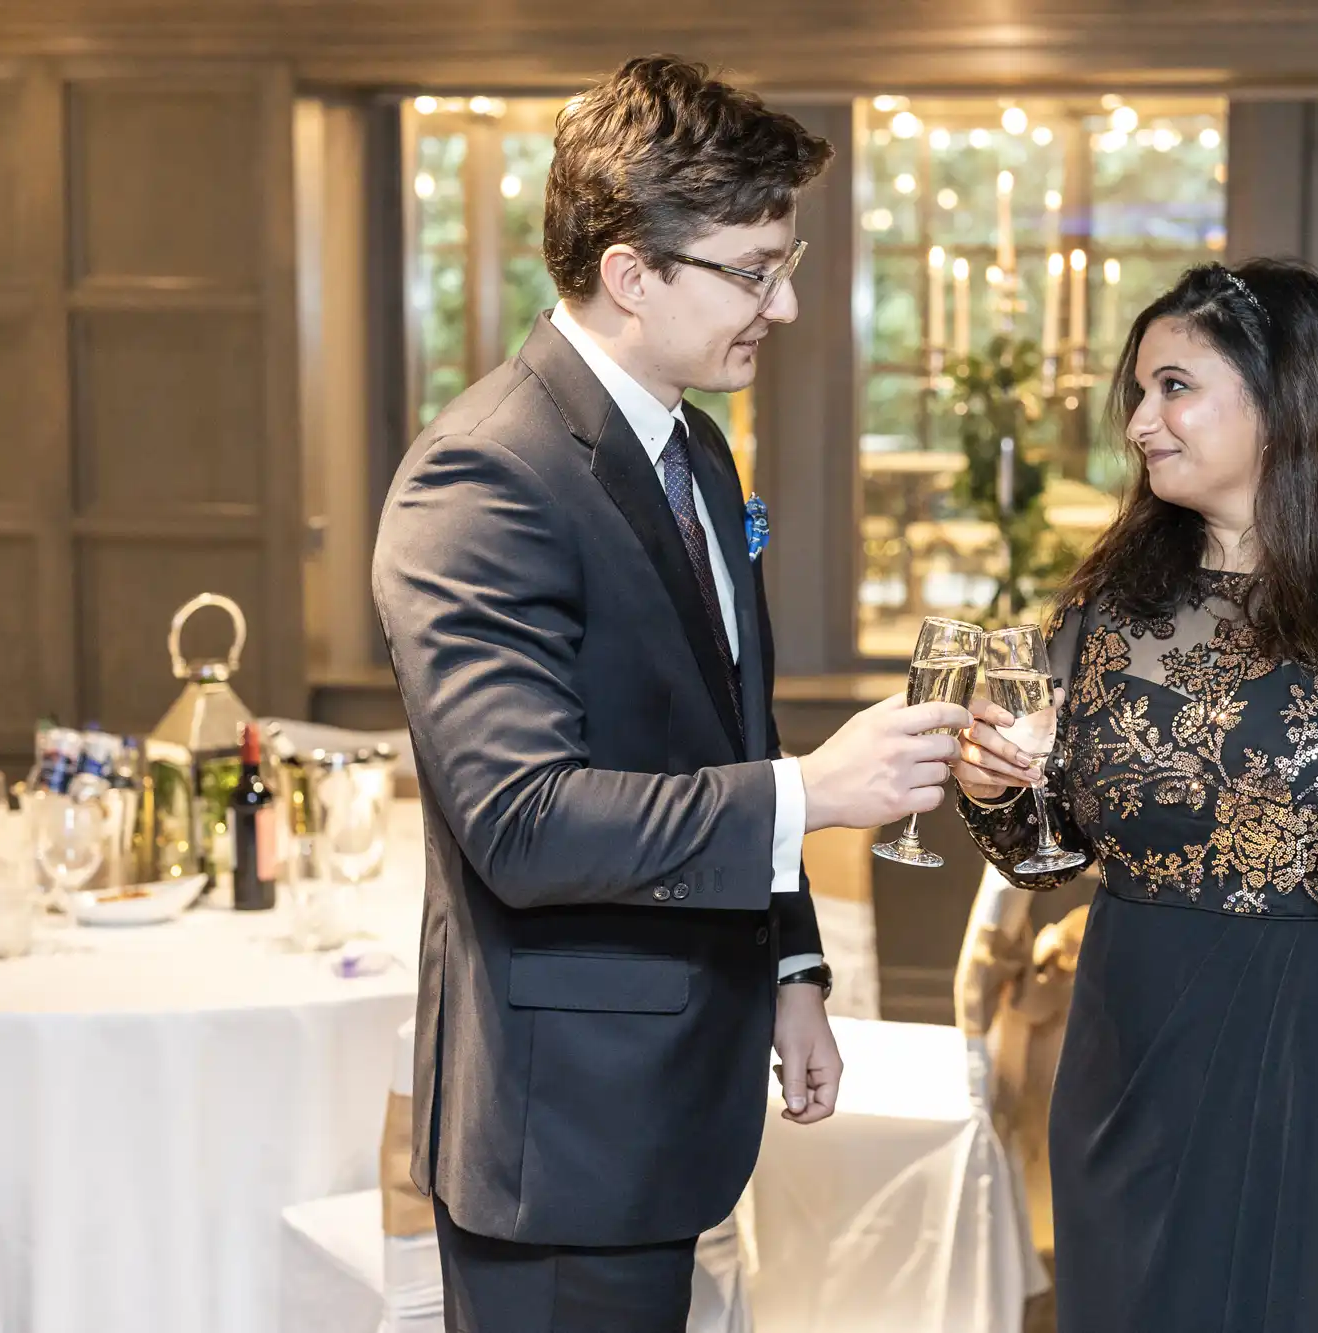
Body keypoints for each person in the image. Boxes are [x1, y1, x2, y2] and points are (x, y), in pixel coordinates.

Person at [371, 56, 969, 1333]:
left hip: (671, 1093)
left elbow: (726, 725)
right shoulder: (484, 475)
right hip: (566, 1131)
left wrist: (795, 962)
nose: (789, 304)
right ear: (632, 271)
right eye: (755, 270)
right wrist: (816, 793)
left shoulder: (691, 438)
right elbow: (524, 824)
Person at [949, 259, 1318, 1332]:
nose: (1140, 422)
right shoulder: (1112, 599)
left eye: (1174, 387)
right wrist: (996, 793)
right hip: (1134, 1060)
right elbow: (1050, 855)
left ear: (1286, 397)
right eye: (1137, 393)